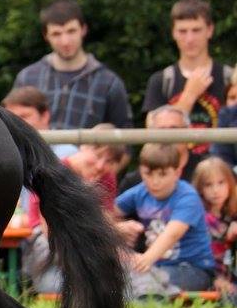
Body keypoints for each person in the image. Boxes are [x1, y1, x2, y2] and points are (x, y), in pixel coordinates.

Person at [22, 125, 127, 293]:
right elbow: (48, 228)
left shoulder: (107, 177)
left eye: (109, 161)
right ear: (84, 147)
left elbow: (106, 220)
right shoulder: (55, 171)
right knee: (57, 286)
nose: (101, 165)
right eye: (98, 155)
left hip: (87, 240)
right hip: (49, 239)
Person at [12, 0, 132, 129]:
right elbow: (13, 130)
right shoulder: (27, 78)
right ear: (46, 36)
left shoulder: (109, 83)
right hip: (37, 149)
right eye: (56, 34)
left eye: (71, 31)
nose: (65, 41)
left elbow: (124, 140)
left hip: (86, 149)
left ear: (83, 29)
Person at [115, 143, 215, 292]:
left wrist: (145, 259)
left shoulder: (187, 196)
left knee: (144, 278)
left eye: (162, 174)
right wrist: (118, 228)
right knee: (121, 274)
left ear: (177, 173)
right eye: (148, 174)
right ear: (141, 171)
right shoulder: (139, 192)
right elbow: (107, 213)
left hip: (192, 269)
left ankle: (150, 295)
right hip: (155, 266)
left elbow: (172, 234)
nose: (155, 181)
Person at [143, 0, 232, 166]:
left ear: (210, 30)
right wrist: (189, 95)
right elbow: (154, 136)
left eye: (196, 30)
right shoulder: (161, 81)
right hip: (173, 172)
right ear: (173, 33)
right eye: (182, 31)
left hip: (221, 176)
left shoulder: (229, 77)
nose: (189, 38)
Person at [1, 86, 77, 226]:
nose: (15, 123)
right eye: (11, 117)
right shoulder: (5, 153)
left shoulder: (69, 155)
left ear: (45, 115)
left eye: (24, 116)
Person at [192, 157, 237, 299]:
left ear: (230, 183)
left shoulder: (233, 212)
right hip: (209, 275)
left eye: (221, 183)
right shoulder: (198, 216)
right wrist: (216, 278)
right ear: (200, 188)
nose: (215, 190)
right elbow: (199, 256)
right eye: (208, 185)